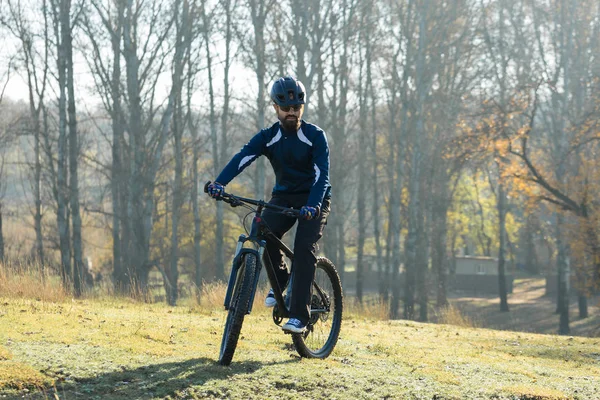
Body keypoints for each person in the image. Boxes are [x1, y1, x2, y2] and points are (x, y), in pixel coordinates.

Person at [207, 76, 331, 334]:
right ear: (275, 108)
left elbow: (322, 175)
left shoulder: (314, 136)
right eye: (286, 108)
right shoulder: (268, 137)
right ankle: (281, 280)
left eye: (297, 107)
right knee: (260, 227)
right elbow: (243, 158)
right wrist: (220, 184)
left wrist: (314, 205)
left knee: (303, 246)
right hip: (284, 197)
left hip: (313, 199)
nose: (292, 112)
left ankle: (299, 316)